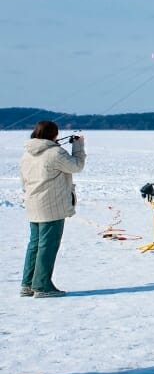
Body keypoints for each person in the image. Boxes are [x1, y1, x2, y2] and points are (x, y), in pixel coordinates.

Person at [20, 120, 86, 298]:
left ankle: (27, 284)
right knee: (47, 246)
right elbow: (77, 166)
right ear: (53, 134)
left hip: (33, 204)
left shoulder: (27, 153)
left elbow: (23, 179)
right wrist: (78, 146)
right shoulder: (55, 152)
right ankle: (42, 286)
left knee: (35, 245)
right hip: (51, 206)